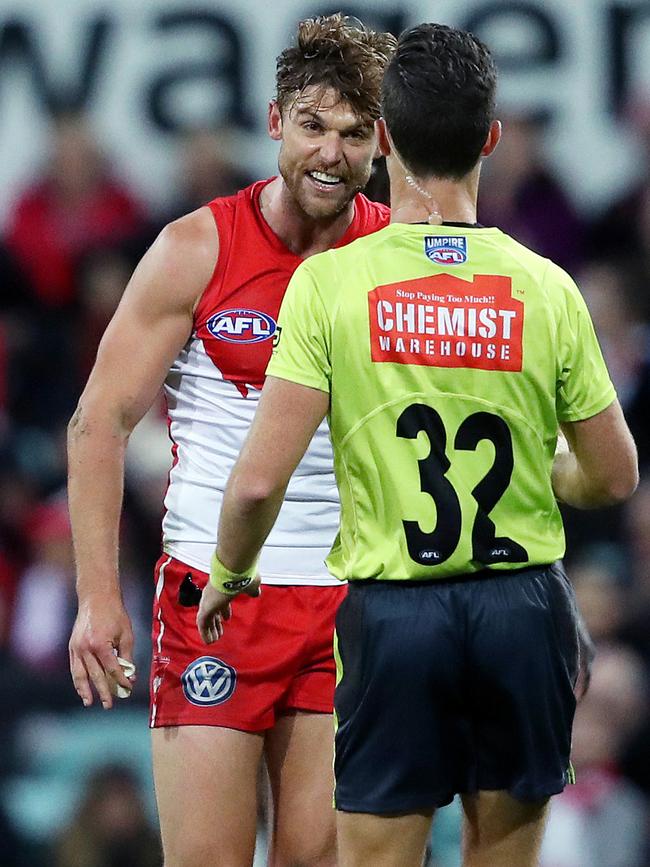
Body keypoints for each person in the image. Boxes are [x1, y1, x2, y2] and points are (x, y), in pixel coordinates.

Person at [197, 23, 639, 867]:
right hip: (523, 609)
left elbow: (257, 484)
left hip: (395, 617)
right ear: (491, 140)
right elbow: (616, 475)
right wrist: (542, 468)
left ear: (385, 138)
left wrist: (230, 574)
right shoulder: (547, 288)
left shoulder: (334, 284)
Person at [67, 14, 395, 867]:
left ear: (382, 143)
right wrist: (97, 596)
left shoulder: (392, 260)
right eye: (315, 126)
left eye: (356, 134)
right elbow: (98, 422)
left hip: (349, 599)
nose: (332, 153)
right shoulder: (196, 248)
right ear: (275, 121)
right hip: (213, 598)